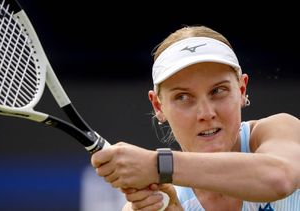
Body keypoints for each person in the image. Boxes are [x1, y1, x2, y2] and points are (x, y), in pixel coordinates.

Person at [90, 25, 300, 210]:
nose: (206, 113)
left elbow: (278, 179)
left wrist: (159, 166)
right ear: (158, 105)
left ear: (242, 89)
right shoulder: (155, 204)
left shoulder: (281, 129)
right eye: (183, 97)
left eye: (218, 91)